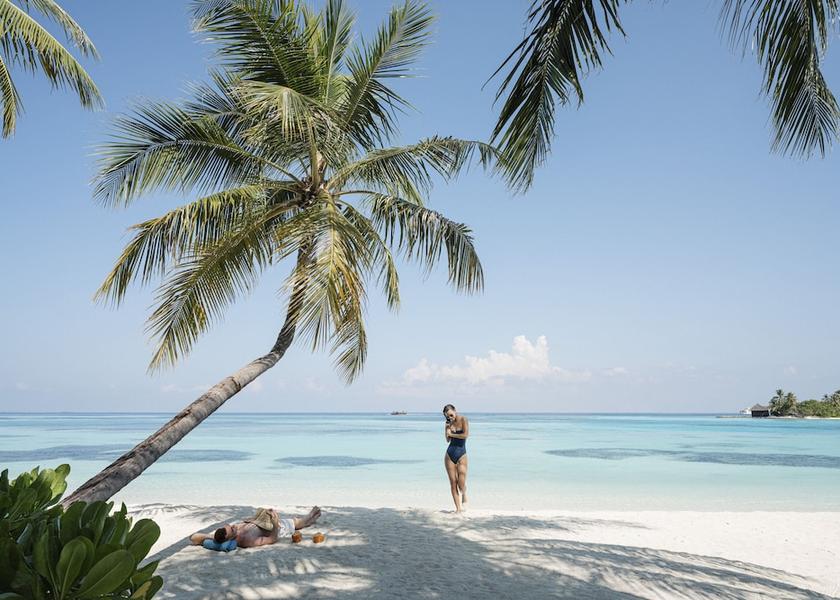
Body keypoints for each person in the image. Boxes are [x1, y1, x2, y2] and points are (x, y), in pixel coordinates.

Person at [190, 506, 322, 550]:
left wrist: (261, 516)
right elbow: (273, 539)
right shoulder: (247, 541)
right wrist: (275, 521)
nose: (234, 526)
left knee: (299, 520)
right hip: (279, 528)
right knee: (301, 523)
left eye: (230, 526)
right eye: (232, 529)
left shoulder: (228, 532)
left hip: (265, 523)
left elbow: (194, 537)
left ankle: (312, 515)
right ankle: (312, 516)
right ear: (229, 538)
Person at [443, 404, 469, 513]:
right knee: (453, 483)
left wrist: (452, 434)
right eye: (447, 416)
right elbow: (447, 440)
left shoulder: (463, 419)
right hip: (449, 455)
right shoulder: (448, 423)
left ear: (455, 411)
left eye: (451, 415)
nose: (450, 417)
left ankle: (464, 493)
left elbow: (465, 435)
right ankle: (458, 509)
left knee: (461, 482)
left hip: (462, 454)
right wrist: (447, 429)